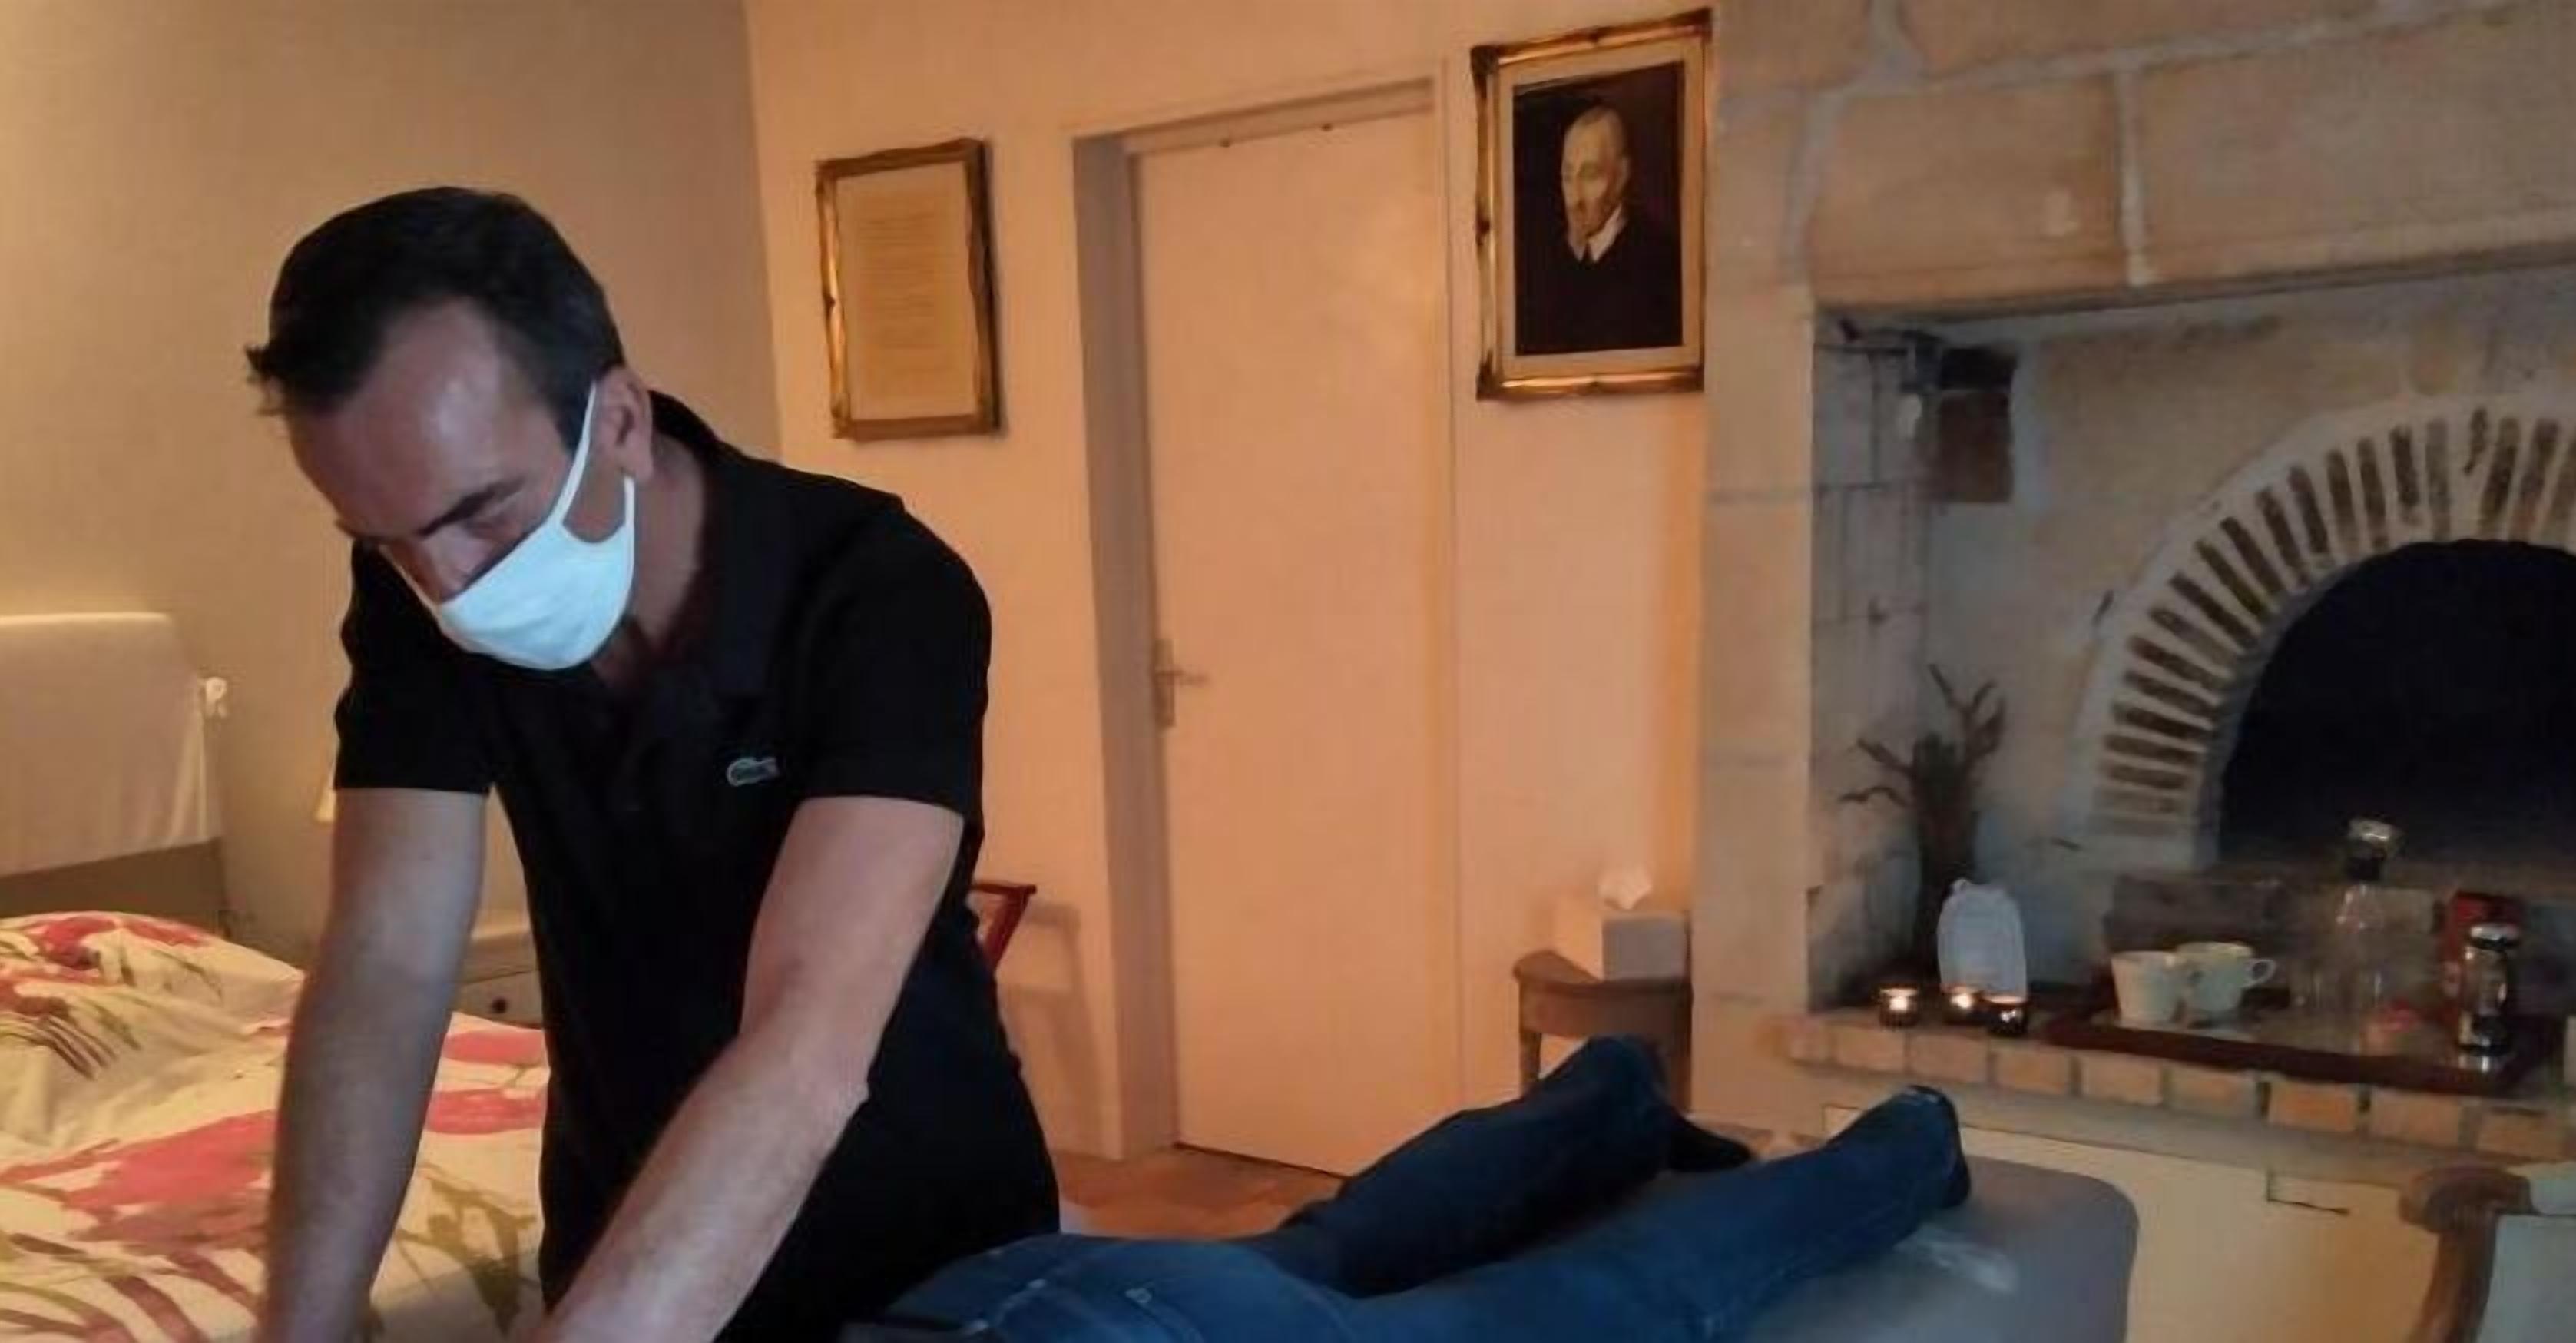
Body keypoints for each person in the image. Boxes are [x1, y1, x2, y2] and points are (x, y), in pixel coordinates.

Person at [247, 188, 1055, 1342]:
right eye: (388, 543)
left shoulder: (876, 589)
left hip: (925, 1243)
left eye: (485, 513)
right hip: (621, 1214)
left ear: (619, 420)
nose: (450, 586)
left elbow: (807, 1037)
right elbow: (386, 966)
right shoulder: (417, 600)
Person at [845, 1037, 1972, 1341]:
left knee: (1616, 1296)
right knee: (1339, 1243)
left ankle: (1911, 1141)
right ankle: (1608, 1091)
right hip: (994, 1294)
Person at [1516, 101, 1684, 356]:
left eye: (1590, 175)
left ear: (1621, 176)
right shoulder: (1544, 258)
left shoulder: (1660, 260)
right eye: (1567, 177)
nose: (1574, 199)